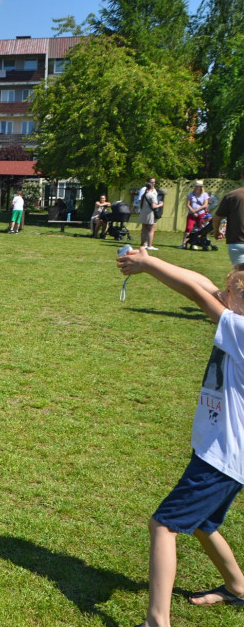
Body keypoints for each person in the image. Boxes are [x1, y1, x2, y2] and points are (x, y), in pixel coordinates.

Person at [117, 247, 244, 627]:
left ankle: (157, 621)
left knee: (164, 524)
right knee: (204, 523)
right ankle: (238, 587)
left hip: (224, 456)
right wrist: (147, 260)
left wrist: (149, 264)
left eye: (230, 292)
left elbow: (197, 295)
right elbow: (203, 286)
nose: (221, 295)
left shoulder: (240, 330)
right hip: (221, 453)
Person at [213, 185, 244, 266]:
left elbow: (216, 218)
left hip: (238, 242)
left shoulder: (232, 195)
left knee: (240, 276)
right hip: (238, 242)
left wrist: (216, 232)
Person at [183, 181, 211, 249]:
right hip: (191, 214)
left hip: (201, 214)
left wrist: (196, 210)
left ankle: (201, 243)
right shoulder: (191, 194)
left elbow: (205, 205)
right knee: (189, 228)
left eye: (197, 186)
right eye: (195, 186)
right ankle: (184, 244)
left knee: (201, 229)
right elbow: (188, 204)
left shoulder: (205, 195)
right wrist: (193, 211)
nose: (195, 187)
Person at [138, 177, 163, 251]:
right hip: (150, 212)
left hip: (143, 211)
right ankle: (149, 245)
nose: (153, 184)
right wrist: (160, 204)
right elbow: (154, 205)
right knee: (151, 229)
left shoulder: (145, 193)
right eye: (152, 182)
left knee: (144, 228)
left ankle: (143, 244)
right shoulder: (150, 193)